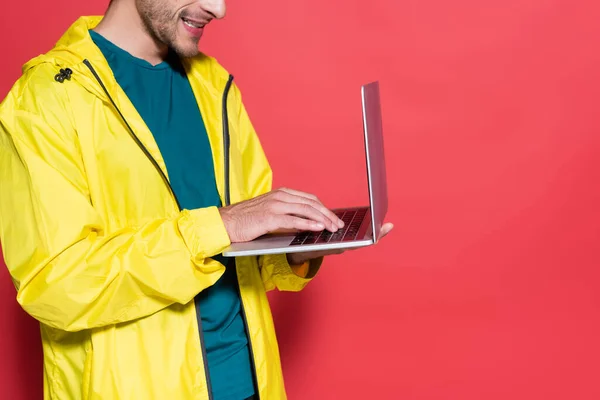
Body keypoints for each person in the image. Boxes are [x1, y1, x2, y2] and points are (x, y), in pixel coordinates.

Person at [0, 0, 393, 399]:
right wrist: (218, 225)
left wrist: (296, 250)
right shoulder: (45, 99)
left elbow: (241, 253)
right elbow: (56, 286)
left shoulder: (212, 82)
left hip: (252, 384)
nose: (218, 9)